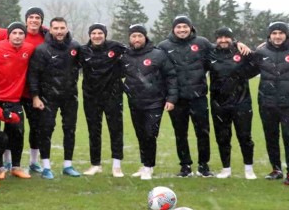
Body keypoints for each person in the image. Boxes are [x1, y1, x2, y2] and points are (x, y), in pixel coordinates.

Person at [250, 22, 289, 186]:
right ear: (269, 35)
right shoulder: (261, 53)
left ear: (286, 35)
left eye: (280, 33)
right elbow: (247, 71)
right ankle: (276, 169)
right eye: (274, 33)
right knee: (271, 137)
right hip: (267, 103)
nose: (277, 36)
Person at [157, 15, 215, 177]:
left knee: (203, 132)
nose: (182, 30)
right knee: (180, 133)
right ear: (173, 29)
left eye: (185, 26)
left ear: (191, 28)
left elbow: (222, 50)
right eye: (178, 27)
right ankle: (185, 166)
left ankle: (203, 165)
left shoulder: (202, 43)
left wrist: (237, 43)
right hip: (177, 99)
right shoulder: (164, 46)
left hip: (198, 97)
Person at [120, 24, 177, 180]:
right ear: (129, 38)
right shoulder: (125, 55)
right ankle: (145, 164)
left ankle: (148, 167)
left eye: (140, 36)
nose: (137, 39)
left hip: (155, 102)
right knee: (141, 134)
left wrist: (171, 98)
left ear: (145, 37)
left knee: (150, 134)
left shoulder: (158, 54)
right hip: (135, 102)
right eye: (133, 36)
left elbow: (171, 76)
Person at [28, 17, 82, 179]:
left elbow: (83, 65)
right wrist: (35, 96)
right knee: (46, 130)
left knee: (70, 129)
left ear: (67, 29)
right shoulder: (41, 50)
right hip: (48, 97)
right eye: (56, 28)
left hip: (70, 96)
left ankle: (68, 165)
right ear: (50, 30)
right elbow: (33, 75)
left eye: (62, 28)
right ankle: (46, 167)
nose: (59, 31)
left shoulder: (75, 47)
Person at [0, 22, 36, 179]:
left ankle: (16, 166)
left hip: (14, 99)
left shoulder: (29, 49)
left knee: (17, 132)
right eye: (14, 33)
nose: (17, 36)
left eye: (21, 33)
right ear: (8, 35)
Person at [208, 27, 256, 180]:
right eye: (220, 37)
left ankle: (249, 169)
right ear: (216, 39)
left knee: (245, 137)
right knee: (222, 138)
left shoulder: (241, 51)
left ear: (232, 38)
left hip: (242, 102)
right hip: (219, 104)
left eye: (226, 37)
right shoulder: (210, 53)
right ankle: (226, 169)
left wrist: (242, 44)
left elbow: (258, 61)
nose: (223, 40)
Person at [78, 23, 126, 177]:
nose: (97, 36)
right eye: (94, 33)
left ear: (105, 34)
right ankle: (95, 164)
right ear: (90, 35)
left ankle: (117, 166)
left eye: (100, 33)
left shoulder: (116, 47)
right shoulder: (83, 50)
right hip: (91, 96)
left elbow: (133, 57)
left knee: (116, 130)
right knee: (93, 131)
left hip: (113, 95)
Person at [21, 7, 48, 173]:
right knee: (14, 128)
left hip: (36, 91)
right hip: (16, 89)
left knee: (36, 127)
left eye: (37, 17)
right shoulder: (18, 33)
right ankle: (9, 162)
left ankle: (33, 161)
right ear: (26, 20)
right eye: (31, 17)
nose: (34, 20)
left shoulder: (46, 36)